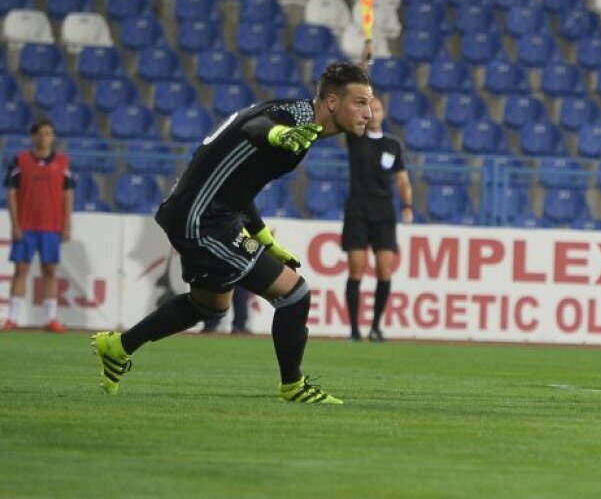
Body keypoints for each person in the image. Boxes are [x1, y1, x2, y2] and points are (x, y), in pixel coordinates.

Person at [91, 62, 374, 403]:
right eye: (360, 102)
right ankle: (293, 387)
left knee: (209, 306)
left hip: (206, 213)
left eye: (369, 104)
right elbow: (256, 128)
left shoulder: (298, 120)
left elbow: (242, 186)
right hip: (201, 219)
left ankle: (118, 347)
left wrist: (266, 240)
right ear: (332, 101)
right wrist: (277, 135)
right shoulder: (293, 122)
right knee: (294, 294)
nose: (368, 113)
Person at [344, 43, 414, 341]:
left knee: (385, 269)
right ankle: (355, 329)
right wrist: (364, 63)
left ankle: (376, 326)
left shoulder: (392, 144)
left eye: (378, 107)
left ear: (383, 113)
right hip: (358, 209)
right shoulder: (355, 136)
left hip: (384, 210)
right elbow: (356, 93)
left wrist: (408, 205)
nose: (373, 110)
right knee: (357, 268)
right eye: (368, 106)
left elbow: (402, 179)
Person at [4, 120, 74, 332]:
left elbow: (68, 193)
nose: (44, 137)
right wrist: (15, 224)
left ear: (53, 137)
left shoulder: (62, 162)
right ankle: (12, 318)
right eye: (41, 133)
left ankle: (50, 318)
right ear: (34, 136)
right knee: (21, 269)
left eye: (48, 133)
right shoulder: (21, 160)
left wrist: (67, 224)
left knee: (50, 270)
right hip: (26, 225)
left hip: (51, 227)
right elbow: (11, 193)